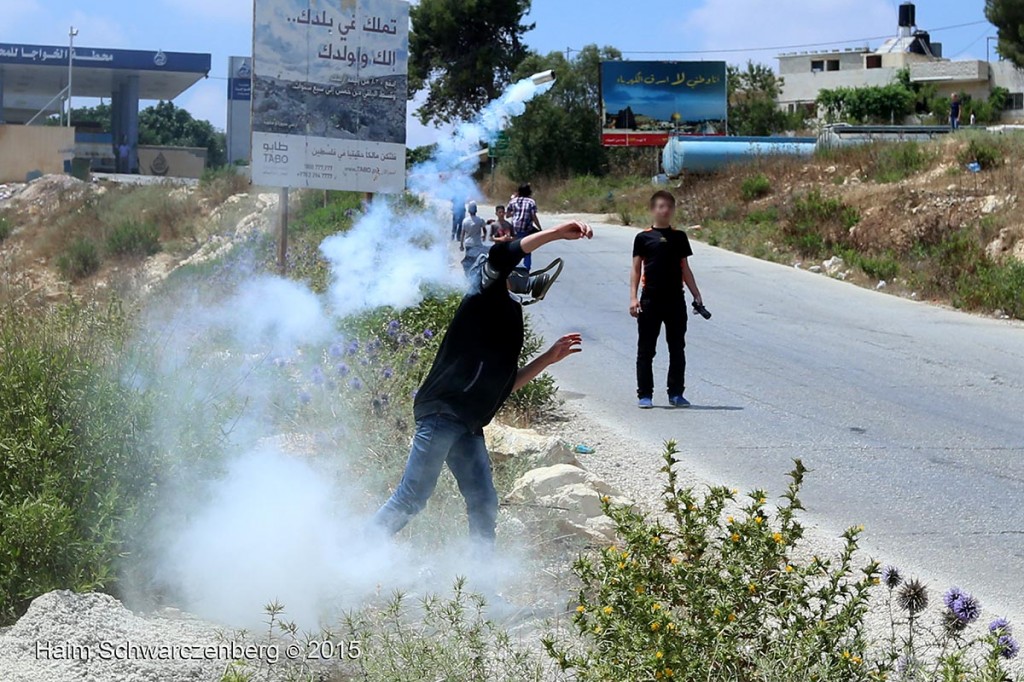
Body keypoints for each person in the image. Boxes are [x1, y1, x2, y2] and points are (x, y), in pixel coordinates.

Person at [372, 220, 593, 549]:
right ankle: (353, 553)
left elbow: (503, 387)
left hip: (468, 423)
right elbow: (504, 254)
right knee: (413, 497)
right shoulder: (482, 296)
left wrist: (547, 358)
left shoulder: (508, 314)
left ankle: (480, 580)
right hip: (443, 413)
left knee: (484, 503)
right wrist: (558, 233)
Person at [630, 190, 705, 409]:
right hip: (650, 300)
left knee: (677, 348)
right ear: (653, 210)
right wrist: (633, 298)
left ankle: (676, 393)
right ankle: (645, 394)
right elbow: (635, 269)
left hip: (675, 301)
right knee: (646, 349)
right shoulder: (643, 238)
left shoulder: (679, 237)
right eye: (661, 206)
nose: (666, 210)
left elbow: (685, 269)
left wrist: (696, 295)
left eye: (669, 206)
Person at [506, 184, 542, 270]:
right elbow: (533, 216)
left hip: (514, 229)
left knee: (514, 249)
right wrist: (539, 228)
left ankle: (512, 268)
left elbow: (507, 215)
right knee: (527, 250)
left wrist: (515, 212)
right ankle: (526, 269)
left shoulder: (513, 201)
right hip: (526, 229)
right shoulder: (531, 202)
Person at [460, 201, 488, 273]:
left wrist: (461, 245)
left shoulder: (465, 221)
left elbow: (462, 234)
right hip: (477, 243)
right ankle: (474, 274)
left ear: (469, 210)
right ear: (476, 210)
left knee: (468, 260)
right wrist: (484, 236)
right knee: (477, 260)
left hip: (468, 244)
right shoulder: (480, 220)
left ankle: (467, 273)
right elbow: (485, 230)